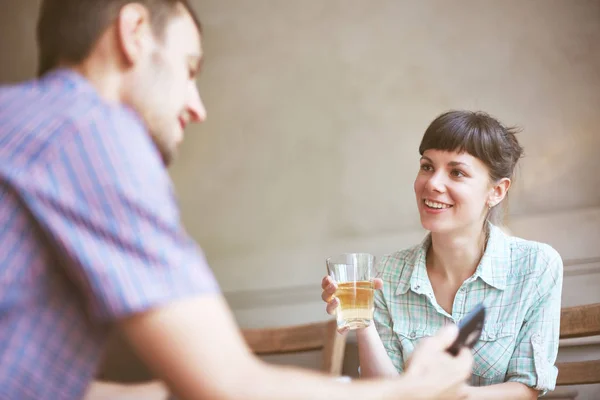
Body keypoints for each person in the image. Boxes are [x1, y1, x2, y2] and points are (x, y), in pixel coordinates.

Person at [0, 1, 475, 399]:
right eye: (190, 70)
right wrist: (415, 387)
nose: (197, 107)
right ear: (134, 32)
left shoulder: (18, 117)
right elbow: (234, 387)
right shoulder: (94, 133)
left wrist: (180, 384)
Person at [321, 110, 563, 400]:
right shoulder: (387, 274)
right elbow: (386, 393)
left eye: (456, 172)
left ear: (496, 191)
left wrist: (450, 396)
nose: (433, 183)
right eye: (426, 166)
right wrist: (364, 321)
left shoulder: (535, 266)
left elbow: (527, 387)